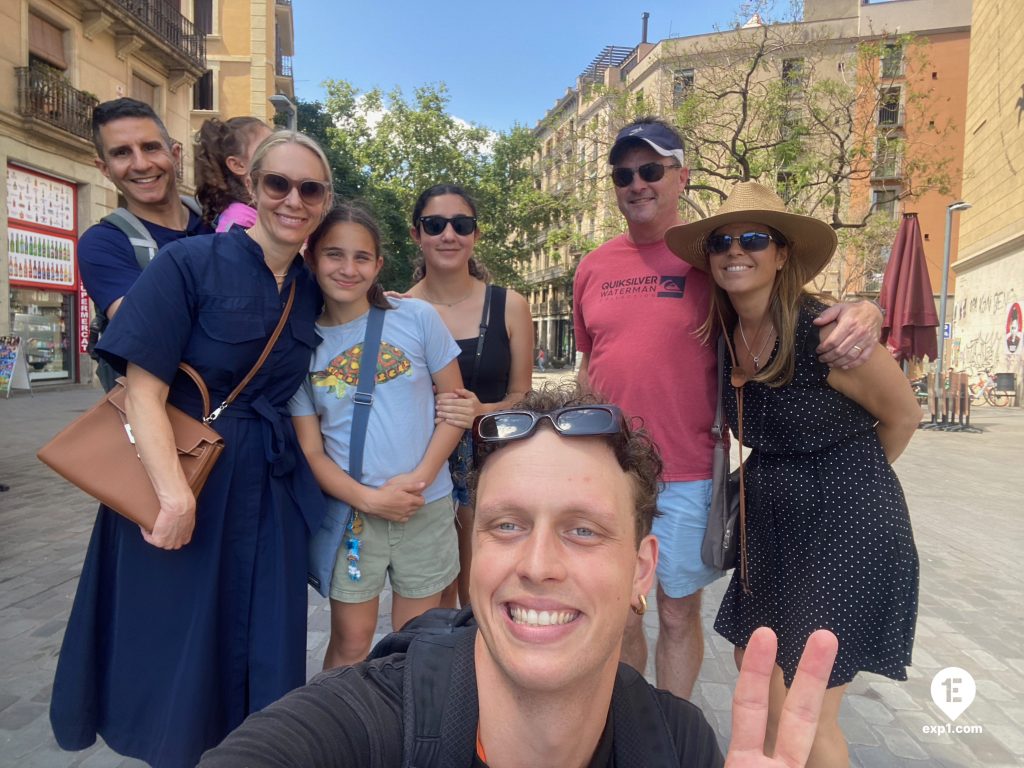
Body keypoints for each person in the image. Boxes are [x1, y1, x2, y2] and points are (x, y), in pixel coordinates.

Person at [200, 387, 841, 768]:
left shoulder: (676, 745)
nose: (537, 565)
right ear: (473, 554)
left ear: (641, 569)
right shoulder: (367, 726)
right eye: (506, 526)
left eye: (583, 529)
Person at [50, 131, 335, 768]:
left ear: (324, 201)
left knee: (265, 643)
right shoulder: (188, 264)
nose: (293, 199)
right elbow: (143, 389)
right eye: (278, 185)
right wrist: (173, 496)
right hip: (184, 476)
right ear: (252, 188)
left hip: (270, 488)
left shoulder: (313, 287)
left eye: (309, 189)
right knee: (177, 644)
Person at [572, 117, 883, 698]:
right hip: (608, 471)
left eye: (651, 170)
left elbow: (781, 295)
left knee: (675, 612)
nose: (637, 183)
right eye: (624, 173)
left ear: (681, 177)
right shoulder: (591, 266)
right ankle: (627, 721)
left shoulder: (714, 257)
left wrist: (865, 308)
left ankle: (671, 726)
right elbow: (590, 365)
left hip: (687, 473)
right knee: (619, 613)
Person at [666, 181, 921, 767]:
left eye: (754, 238)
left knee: (799, 704)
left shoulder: (828, 333)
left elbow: (904, 417)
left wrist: (848, 489)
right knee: (755, 671)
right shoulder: (725, 334)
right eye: (722, 241)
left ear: (782, 254)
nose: (737, 250)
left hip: (845, 529)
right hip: (772, 532)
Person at [291, 202, 466, 668]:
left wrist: (418, 482)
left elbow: (454, 408)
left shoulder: (418, 318)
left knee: (417, 645)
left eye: (361, 257)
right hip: (354, 515)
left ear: (379, 264)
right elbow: (311, 450)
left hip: (423, 507)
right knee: (351, 642)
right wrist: (369, 500)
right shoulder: (301, 346)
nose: (348, 269)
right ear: (311, 258)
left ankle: (410, 740)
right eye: (334, 255)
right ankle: (339, 738)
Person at [404, 184, 534, 607]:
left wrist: (484, 410)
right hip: (426, 472)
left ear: (475, 235)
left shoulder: (510, 306)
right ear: (416, 234)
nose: (448, 235)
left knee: (484, 591)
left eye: (461, 225)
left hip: (491, 470)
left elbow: (523, 396)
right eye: (434, 224)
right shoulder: (396, 311)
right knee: (433, 601)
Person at [79, 98, 211, 391]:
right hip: (169, 418)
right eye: (122, 153)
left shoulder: (217, 223)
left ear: (175, 154)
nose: (141, 164)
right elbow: (147, 333)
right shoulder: (103, 244)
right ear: (104, 168)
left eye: (150, 147)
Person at [194, 116, 274, 231]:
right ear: (237, 165)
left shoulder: (255, 209)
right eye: (267, 148)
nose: (278, 152)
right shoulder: (238, 220)